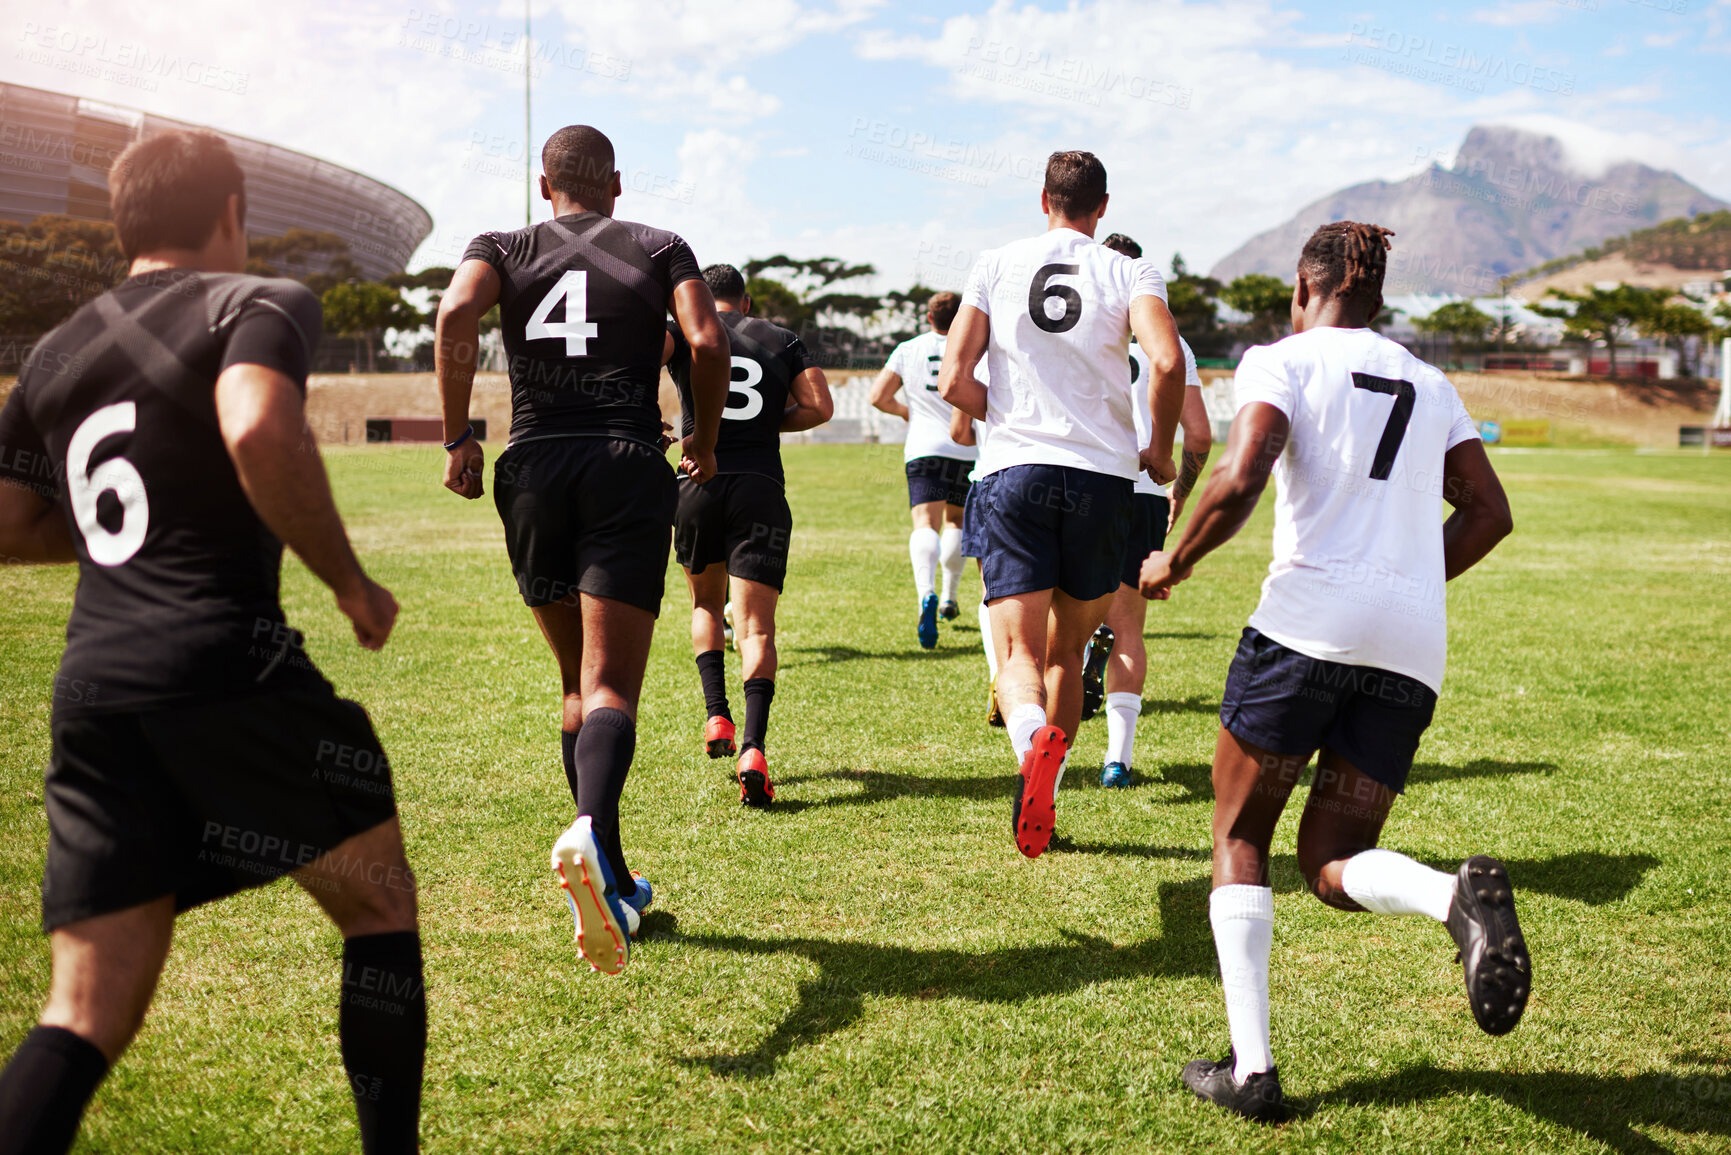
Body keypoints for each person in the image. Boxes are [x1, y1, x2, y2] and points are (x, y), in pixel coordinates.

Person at [0, 130, 423, 1154]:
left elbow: (10, 526)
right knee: (378, 908)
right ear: (232, 210)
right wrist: (350, 583)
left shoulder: (53, 351)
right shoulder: (255, 301)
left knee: (84, 1010)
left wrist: (132, 548)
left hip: (95, 687)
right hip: (227, 662)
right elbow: (257, 429)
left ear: (124, 224)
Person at [1139, 222, 1525, 1121]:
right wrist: (1405, 584)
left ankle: (1252, 1070)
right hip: (1407, 647)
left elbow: (1239, 475)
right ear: (1377, 301)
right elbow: (1487, 512)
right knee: (1330, 859)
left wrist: (1174, 560)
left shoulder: (1282, 358)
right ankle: (1448, 898)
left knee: (1240, 833)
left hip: (1304, 631)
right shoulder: (1430, 383)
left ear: (1299, 290)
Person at [434, 125, 728, 975]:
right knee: (611, 686)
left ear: (544, 182)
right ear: (618, 184)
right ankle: (592, 837)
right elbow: (705, 342)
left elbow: (456, 309)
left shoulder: (502, 243)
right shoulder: (659, 244)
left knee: (574, 682)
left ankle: (615, 875)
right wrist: (702, 437)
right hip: (624, 462)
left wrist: (458, 433)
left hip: (530, 466)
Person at [938, 150, 1189, 859]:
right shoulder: (1130, 269)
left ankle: (1029, 746)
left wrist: (1010, 416)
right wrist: (1160, 451)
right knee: (1069, 650)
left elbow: (956, 378)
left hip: (1015, 474)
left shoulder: (994, 263)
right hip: (1103, 481)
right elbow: (1166, 361)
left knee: (1015, 647)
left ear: (1041, 198)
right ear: (1102, 207)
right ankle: (1041, 791)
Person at [664, 264, 833, 806]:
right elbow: (819, 407)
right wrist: (765, 426)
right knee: (757, 627)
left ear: (699, 299)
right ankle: (754, 748)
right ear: (749, 300)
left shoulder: (685, 333)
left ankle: (717, 716)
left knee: (705, 607)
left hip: (696, 482)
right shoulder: (782, 339)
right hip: (761, 487)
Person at [1085, 233, 1215, 788]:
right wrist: (1179, 495)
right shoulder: (1173, 343)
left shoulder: (1074, 325)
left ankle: (1045, 756)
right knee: (1130, 627)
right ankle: (1119, 759)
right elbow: (1202, 437)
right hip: (1141, 491)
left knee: (1058, 617)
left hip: (1077, 482)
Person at [870, 291, 977, 648]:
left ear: (929, 319)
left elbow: (877, 396)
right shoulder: (976, 347)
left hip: (924, 448)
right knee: (956, 522)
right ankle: (949, 597)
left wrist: (906, 413)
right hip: (967, 447)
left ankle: (926, 594)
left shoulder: (909, 348)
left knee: (925, 523)